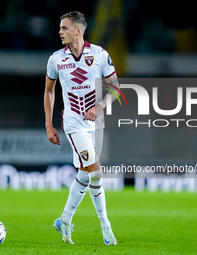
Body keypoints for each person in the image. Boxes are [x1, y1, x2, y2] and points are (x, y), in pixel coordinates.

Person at [44, 11, 120, 246]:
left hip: (96, 124)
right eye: (59, 28)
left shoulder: (99, 55)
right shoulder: (56, 59)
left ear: (78, 31)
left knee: (86, 175)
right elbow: (49, 90)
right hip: (74, 124)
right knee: (96, 172)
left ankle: (64, 220)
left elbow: (115, 89)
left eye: (64, 28)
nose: (60, 32)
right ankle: (106, 226)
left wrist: (100, 105)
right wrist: (49, 124)